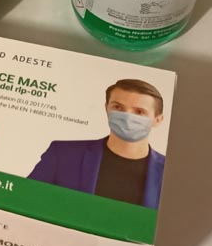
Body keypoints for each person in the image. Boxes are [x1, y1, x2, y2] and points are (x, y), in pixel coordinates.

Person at [28, 78, 166, 208]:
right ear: (106, 108)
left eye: (139, 112)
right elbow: (26, 199)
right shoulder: (62, 154)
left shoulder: (169, 174)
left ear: (158, 120)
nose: (127, 116)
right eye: (118, 107)